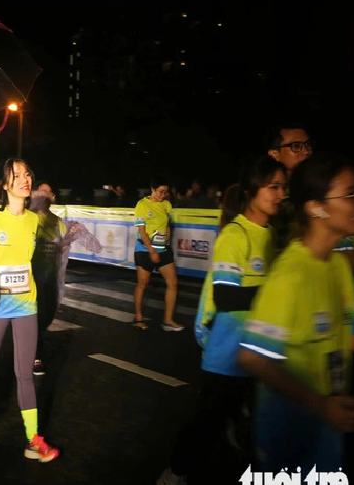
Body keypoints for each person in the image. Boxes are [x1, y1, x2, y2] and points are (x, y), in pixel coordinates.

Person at [157, 156, 287, 485]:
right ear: (251, 191)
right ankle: (176, 472)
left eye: (283, 187)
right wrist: (279, 289)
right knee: (206, 423)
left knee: (263, 427)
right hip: (227, 356)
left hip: (261, 354)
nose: (280, 194)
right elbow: (227, 298)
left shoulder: (272, 235)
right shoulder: (236, 234)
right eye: (273, 187)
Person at [237, 155, 354, 474]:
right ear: (316, 207)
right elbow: (252, 358)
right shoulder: (290, 276)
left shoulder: (337, 266)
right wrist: (320, 405)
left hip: (328, 429)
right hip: (288, 435)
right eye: (352, 194)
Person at [0, 158, 61, 462]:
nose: (25, 180)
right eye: (17, 176)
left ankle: (33, 439)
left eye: (27, 174)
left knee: (24, 374)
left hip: (26, 306)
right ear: (5, 185)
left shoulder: (34, 221)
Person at [132, 176, 182, 331]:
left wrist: (167, 242)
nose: (163, 195)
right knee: (143, 284)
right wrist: (152, 250)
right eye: (160, 191)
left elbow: (167, 225)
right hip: (145, 250)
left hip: (163, 249)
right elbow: (141, 230)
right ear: (152, 189)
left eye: (165, 192)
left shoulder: (166, 204)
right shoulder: (142, 205)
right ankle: (138, 317)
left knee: (173, 283)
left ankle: (168, 320)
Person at [30, 180, 67, 376]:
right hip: (30, 280)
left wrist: (60, 282)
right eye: (41, 193)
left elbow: (62, 254)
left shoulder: (58, 222)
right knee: (34, 319)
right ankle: (35, 356)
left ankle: (29, 344)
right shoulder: (27, 218)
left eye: (48, 193)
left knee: (46, 317)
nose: (44, 197)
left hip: (49, 280)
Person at [266, 123, 314, 250]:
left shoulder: (317, 189)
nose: (306, 151)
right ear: (274, 154)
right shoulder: (265, 195)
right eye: (296, 146)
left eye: (308, 145)